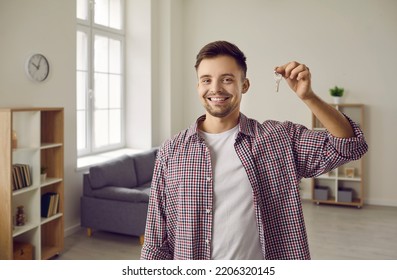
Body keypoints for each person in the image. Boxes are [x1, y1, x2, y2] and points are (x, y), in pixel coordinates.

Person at [141, 41, 368, 260]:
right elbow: (155, 239)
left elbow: (349, 146)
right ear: (198, 86)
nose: (216, 88)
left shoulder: (278, 139)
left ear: (245, 85)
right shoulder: (172, 150)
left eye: (227, 79)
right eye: (206, 80)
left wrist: (309, 97)